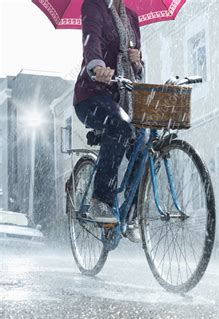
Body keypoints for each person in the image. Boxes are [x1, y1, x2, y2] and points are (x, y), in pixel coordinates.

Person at [73, 0, 144, 241]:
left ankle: (132, 214)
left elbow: (138, 69)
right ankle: (100, 200)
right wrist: (97, 66)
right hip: (91, 96)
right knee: (120, 124)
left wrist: (137, 61)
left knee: (142, 144)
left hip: (123, 98)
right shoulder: (93, 6)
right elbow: (91, 38)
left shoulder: (132, 17)